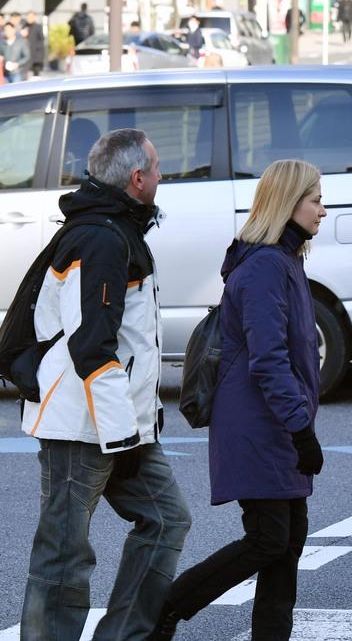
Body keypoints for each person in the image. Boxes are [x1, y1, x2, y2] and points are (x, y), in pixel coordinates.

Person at [19, 128, 192, 640]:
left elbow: (131, 343)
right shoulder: (99, 238)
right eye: (157, 168)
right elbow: (91, 347)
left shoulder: (119, 229)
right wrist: (126, 437)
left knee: (165, 521)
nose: (162, 176)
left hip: (115, 424)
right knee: (64, 556)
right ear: (138, 179)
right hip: (81, 426)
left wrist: (135, 431)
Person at [149, 159, 326, 641]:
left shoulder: (285, 260)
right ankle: (166, 607)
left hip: (275, 425)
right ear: (289, 204)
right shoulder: (266, 267)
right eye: (315, 200)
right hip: (261, 426)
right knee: (269, 540)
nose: (322, 211)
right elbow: (268, 361)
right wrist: (300, 429)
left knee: (286, 544)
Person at [25, 10, 45, 77]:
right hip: (27, 54)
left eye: (31, 17)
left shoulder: (38, 27)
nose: (29, 18)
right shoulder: (25, 26)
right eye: (28, 17)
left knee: (36, 75)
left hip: (36, 55)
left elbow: (41, 40)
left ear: (34, 17)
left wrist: (38, 52)